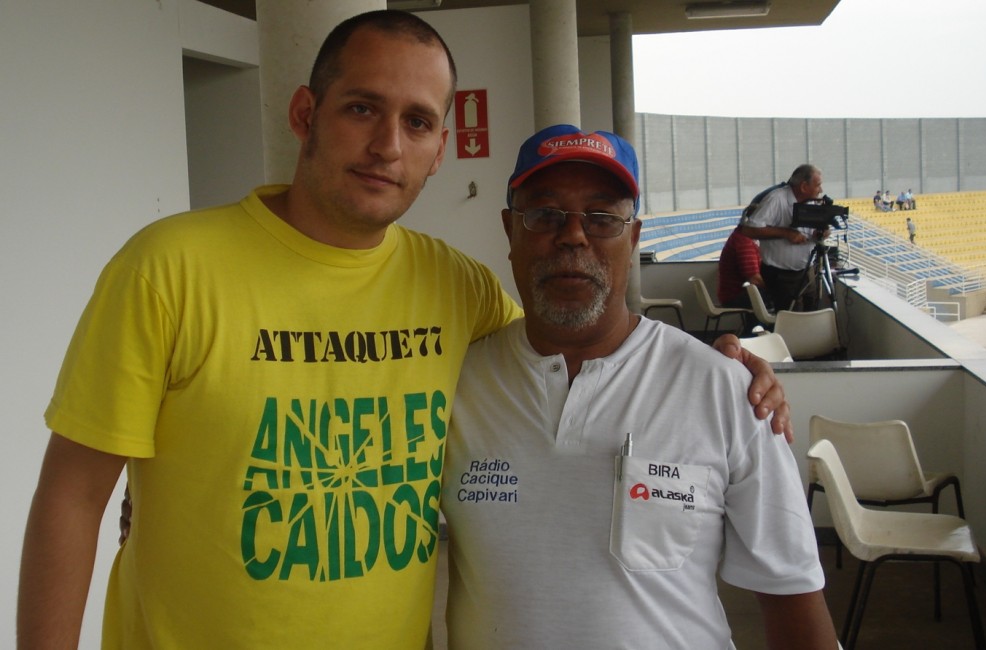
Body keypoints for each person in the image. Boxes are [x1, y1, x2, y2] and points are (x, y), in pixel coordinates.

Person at [18, 11, 791, 650]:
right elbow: (71, 498)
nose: (388, 144)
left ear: (437, 151)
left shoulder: (455, 287)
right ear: (304, 114)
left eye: (416, 122)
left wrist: (718, 368)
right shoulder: (170, 269)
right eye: (362, 108)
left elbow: (576, 340)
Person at [442, 125, 837, 649]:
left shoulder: (726, 392)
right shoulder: (454, 385)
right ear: (510, 231)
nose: (574, 235)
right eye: (545, 214)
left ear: (633, 237)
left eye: (603, 217)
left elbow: (794, 601)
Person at [741, 164, 829, 311]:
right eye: (818, 185)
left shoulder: (814, 200)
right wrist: (786, 233)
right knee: (793, 322)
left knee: (811, 315)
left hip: (807, 272)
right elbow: (749, 230)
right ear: (803, 186)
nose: (821, 190)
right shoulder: (776, 199)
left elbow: (816, 231)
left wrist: (822, 233)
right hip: (782, 277)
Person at [717, 224, 768, 335]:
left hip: (733, 294)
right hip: (735, 296)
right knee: (781, 298)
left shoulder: (739, 237)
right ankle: (757, 337)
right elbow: (754, 279)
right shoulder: (743, 243)